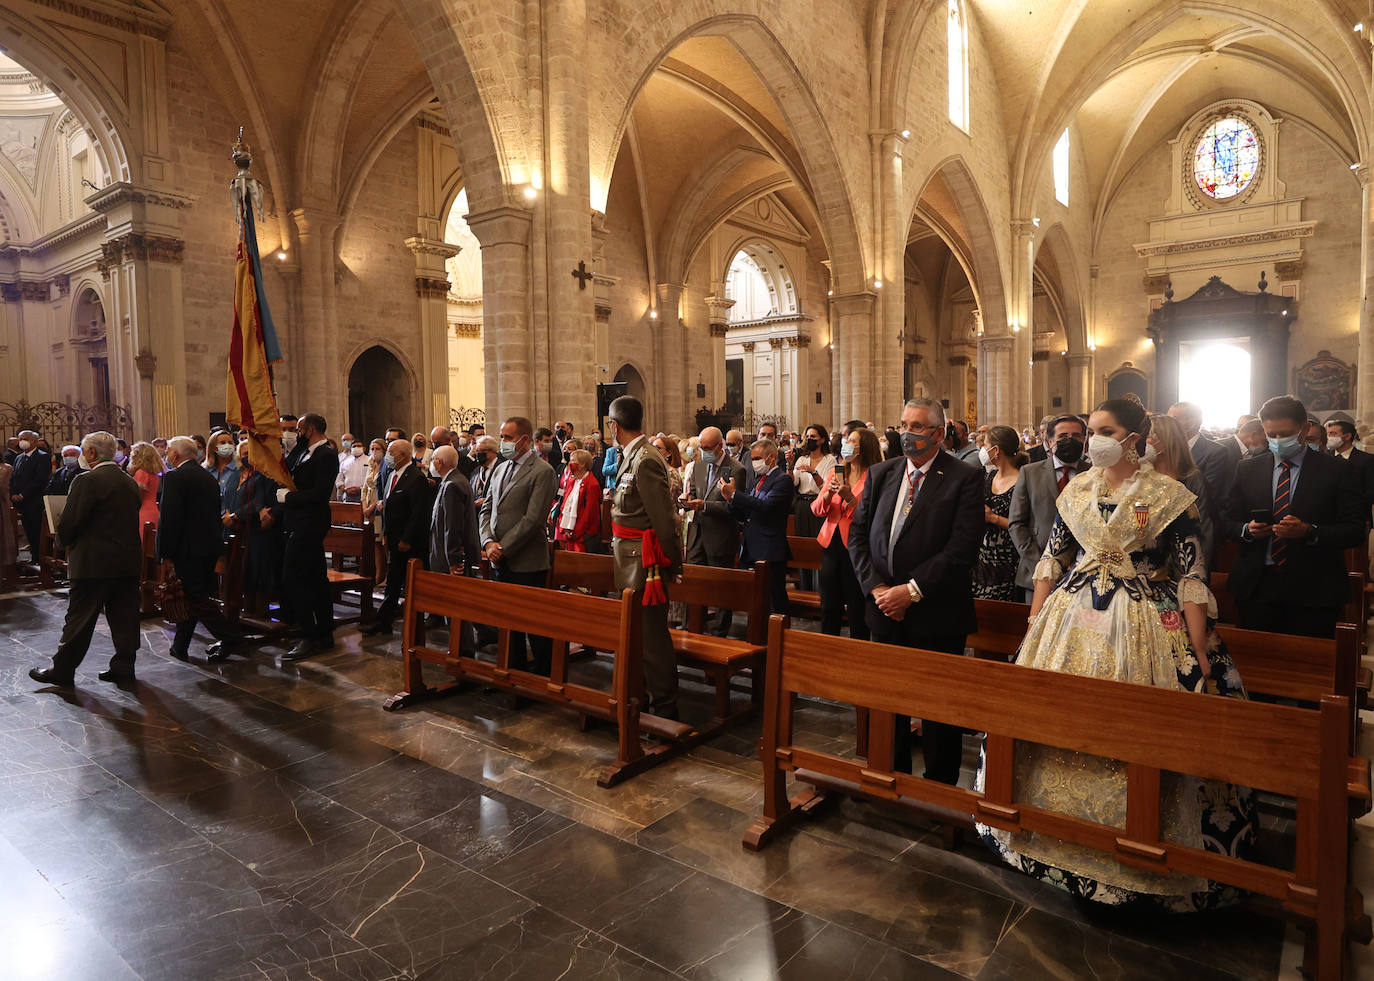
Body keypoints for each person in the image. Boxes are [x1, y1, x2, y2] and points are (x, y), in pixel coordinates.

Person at [977, 397, 1253, 911]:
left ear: (1134, 437)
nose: (1091, 439)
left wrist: (1199, 651)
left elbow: (1192, 574)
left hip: (1146, 620)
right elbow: (1051, 559)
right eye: (1089, 430)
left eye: (1104, 430)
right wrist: (1036, 622)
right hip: (1071, 617)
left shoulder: (1170, 495)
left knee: (1139, 732)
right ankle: (1043, 834)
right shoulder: (1077, 489)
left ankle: (1145, 851)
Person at [848, 397, 983, 782]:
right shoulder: (881, 473)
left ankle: (939, 789)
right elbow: (858, 536)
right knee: (888, 703)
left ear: (939, 434)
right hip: (883, 607)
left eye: (917, 427)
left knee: (939, 709)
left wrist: (910, 591)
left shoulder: (963, 477)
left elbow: (961, 549)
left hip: (936, 612)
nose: (906, 433)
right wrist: (877, 589)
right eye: (904, 424)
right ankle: (892, 777)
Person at [1226, 395, 1365, 638]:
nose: (1278, 441)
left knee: (1309, 668)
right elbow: (1226, 520)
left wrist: (1310, 531)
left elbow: (1354, 529)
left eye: (1285, 434)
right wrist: (1247, 530)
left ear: (1305, 429)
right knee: (1257, 667)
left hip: (1314, 589)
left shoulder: (1337, 470)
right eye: (1272, 435)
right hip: (1257, 586)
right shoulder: (1248, 468)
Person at [28, 433, 142, 686]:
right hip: (126, 560)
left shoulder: (87, 480)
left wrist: (60, 542)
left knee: (79, 617)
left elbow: (70, 522)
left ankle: (62, 670)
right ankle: (124, 666)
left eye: (83, 450)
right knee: (125, 617)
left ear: (91, 453)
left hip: (93, 562)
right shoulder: (129, 481)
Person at [606, 395, 682, 718]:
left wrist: (674, 562)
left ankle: (665, 708)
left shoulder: (645, 459)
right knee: (637, 635)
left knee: (652, 638)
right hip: (629, 559)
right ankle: (643, 699)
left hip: (644, 564)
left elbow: (664, 519)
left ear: (614, 425)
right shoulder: (630, 456)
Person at [156, 437, 246, 663]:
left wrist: (165, 553)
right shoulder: (207, 476)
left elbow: (169, 518)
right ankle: (180, 646)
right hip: (208, 546)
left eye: (168, 452)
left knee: (196, 598)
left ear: (175, 455)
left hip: (187, 549)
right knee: (194, 597)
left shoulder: (175, 477)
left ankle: (231, 636)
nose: (166, 455)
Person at [479, 416, 557, 674]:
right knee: (507, 621)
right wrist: (488, 541)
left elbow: (533, 520)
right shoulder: (500, 468)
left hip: (527, 560)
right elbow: (487, 507)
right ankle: (514, 672)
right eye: (501, 437)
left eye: (508, 438)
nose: (503, 443)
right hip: (499, 557)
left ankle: (545, 675)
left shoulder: (542, 471)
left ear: (524, 439)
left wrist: (502, 548)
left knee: (534, 623)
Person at [276, 412, 339, 659]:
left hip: (311, 523)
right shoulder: (304, 453)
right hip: (299, 521)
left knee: (293, 578)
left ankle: (309, 636)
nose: (296, 434)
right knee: (316, 579)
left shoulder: (326, 455)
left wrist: (288, 497)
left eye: (299, 429)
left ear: (309, 429)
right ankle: (324, 633)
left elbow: (319, 494)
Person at [1008, 414, 1088, 603]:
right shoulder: (1030, 473)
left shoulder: (1093, 474)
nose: (1070, 440)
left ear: (1084, 440)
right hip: (1036, 572)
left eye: (1076, 436)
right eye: (1063, 436)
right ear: (1050, 441)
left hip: (1082, 574)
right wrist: (1042, 565)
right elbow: (1017, 523)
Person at [813, 426, 882, 640]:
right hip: (831, 543)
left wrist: (850, 497)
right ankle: (828, 650)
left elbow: (872, 516)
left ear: (864, 448)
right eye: (846, 439)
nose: (846, 443)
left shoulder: (875, 476)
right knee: (829, 605)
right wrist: (827, 496)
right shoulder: (836, 471)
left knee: (856, 607)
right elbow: (816, 509)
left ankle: (857, 654)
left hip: (857, 546)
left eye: (851, 440)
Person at [362, 438, 434, 637]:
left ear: (402, 456)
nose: (387, 457)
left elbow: (418, 513)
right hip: (393, 537)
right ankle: (384, 622)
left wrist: (407, 538)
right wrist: (386, 532)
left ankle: (412, 622)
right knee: (393, 581)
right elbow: (388, 506)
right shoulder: (393, 474)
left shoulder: (415, 478)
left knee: (407, 582)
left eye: (390, 453)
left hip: (408, 542)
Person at [681, 427, 747, 635]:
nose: (704, 451)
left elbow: (736, 507)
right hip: (698, 534)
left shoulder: (735, 469)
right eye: (701, 447)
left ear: (720, 446)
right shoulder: (699, 466)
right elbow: (693, 493)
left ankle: (719, 632)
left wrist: (706, 506)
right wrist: (686, 501)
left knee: (721, 589)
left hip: (720, 536)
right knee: (694, 583)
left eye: (708, 448)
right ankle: (693, 627)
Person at [721, 436, 793, 615]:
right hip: (752, 545)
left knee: (775, 599)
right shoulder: (757, 480)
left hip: (770, 548)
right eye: (752, 459)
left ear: (771, 458)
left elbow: (765, 507)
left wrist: (736, 495)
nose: (754, 463)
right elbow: (748, 512)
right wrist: (731, 500)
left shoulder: (782, 480)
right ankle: (759, 635)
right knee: (756, 600)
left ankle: (779, 636)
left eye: (757, 459)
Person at [1146, 413, 1216, 563]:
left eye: (1148, 436)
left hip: (1182, 561)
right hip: (1148, 563)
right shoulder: (1140, 478)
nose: (1143, 442)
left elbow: (1202, 529)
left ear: (1166, 441)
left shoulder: (1191, 479)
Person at [972, 426, 1025, 600]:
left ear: (996, 450)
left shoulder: (1022, 481)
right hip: (981, 559)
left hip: (1008, 560)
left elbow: (1025, 525)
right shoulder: (988, 476)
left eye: (985, 444)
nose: (982, 449)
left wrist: (993, 518)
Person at [1168, 401, 1233, 528]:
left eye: (1174, 420)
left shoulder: (1215, 452)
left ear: (1192, 423)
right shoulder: (1165, 448)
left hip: (1198, 522)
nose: (1168, 424)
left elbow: (1209, 493)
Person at [428, 445, 479, 575]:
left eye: (432, 459)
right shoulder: (455, 480)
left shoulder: (452, 485)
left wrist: (454, 559)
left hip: (447, 561)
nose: (431, 463)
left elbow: (453, 526)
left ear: (439, 463)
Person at [10, 429, 51, 563]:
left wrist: (23, 494)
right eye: (20, 438)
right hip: (22, 502)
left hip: (35, 501)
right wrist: (14, 494)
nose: (22, 441)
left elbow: (39, 479)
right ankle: (34, 557)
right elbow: (14, 478)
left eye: (25, 438)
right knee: (28, 531)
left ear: (34, 441)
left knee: (37, 531)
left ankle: (40, 559)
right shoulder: (19, 457)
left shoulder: (42, 456)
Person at [554, 449, 601, 552]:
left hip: (583, 535)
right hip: (569, 532)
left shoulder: (592, 484)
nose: (570, 463)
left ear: (583, 464)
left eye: (573, 461)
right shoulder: (572, 481)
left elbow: (589, 513)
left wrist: (575, 532)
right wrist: (565, 528)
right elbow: (564, 505)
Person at [1326, 417, 1374, 515]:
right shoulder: (1324, 458)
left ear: (1347, 436)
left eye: (1333, 433)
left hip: (1357, 516)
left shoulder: (1366, 460)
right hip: (1328, 516)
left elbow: (1370, 491)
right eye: (1328, 433)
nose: (1328, 437)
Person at [127, 441, 163, 531]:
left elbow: (138, 497)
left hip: (143, 512)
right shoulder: (153, 474)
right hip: (153, 510)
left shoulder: (141, 473)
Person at [336, 437, 369, 503]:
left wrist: (360, 489)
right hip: (347, 495)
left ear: (364, 448)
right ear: (351, 449)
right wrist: (344, 489)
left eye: (359, 446)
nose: (356, 448)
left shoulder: (369, 461)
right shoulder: (344, 462)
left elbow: (372, 479)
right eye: (354, 446)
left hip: (364, 495)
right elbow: (339, 480)